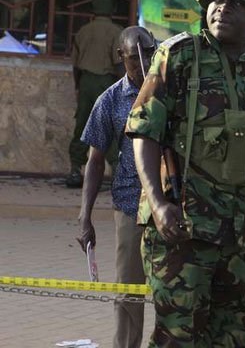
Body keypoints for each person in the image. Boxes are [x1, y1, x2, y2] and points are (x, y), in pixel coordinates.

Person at [125, 0, 245, 347]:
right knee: (178, 339)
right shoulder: (179, 56)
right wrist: (157, 203)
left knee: (235, 340)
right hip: (182, 231)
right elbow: (143, 131)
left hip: (238, 236)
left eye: (235, 2)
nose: (221, 8)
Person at [76, 26, 155, 348]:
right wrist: (85, 216)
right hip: (129, 205)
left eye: (149, 52)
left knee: (175, 292)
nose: (143, 61)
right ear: (120, 57)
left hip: (175, 207)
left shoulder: (174, 94)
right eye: (134, 57)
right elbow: (95, 161)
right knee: (129, 291)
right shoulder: (108, 101)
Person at [66, 0, 123, 188]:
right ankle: (116, 171)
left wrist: (78, 86)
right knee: (109, 126)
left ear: (93, 9)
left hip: (85, 82)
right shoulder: (116, 32)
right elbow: (119, 64)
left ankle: (75, 170)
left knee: (81, 125)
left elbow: (75, 64)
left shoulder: (83, 31)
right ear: (112, 10)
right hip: (106, 82)